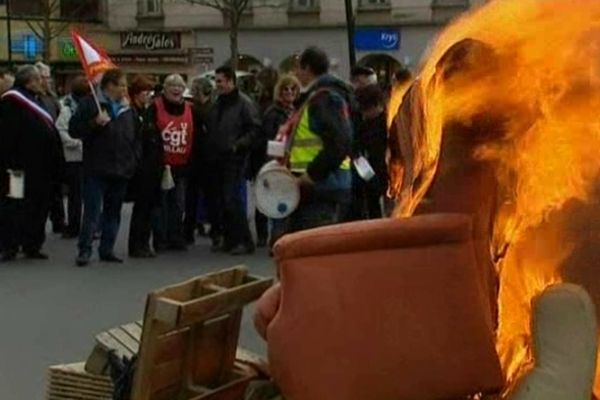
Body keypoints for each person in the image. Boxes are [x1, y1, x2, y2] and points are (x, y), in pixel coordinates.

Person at [71, 68, 141, 267]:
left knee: (113, 211)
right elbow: (74, 129)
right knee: (92, 211)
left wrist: (134, 158)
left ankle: (107, 248)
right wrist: (94, 123)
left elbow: (136, 136)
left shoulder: (128, 109)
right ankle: (84, 250)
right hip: (96, 167)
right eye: (121, 85)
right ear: (110, 85)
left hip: (121, 168)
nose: (125, 89)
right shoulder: (90, 103)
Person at [0, 65, 65, 261]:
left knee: (38, 206)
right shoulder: (12, 101)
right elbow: (6, 136)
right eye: (38, 79)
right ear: (29, 81)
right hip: (17, 167)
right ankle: (9, 246)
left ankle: (32, 244)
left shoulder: (38, 100)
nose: (42, 82)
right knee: (14, 206)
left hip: (40, 168)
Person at [285, 46, 353, 232]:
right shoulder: (319, 96)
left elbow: (339, 143)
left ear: (307, 68)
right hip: (319, 188)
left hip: (323, 189)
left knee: (314, 252)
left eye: (298, 68)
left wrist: (311, 175)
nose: (296, 73)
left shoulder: (324, 98)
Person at [205, 65, 261, 255]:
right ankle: (230, 239)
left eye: (220, 81)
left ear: (230, 81)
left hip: (234, 157)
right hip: (217, 157)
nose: (217, 84)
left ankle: (243, 240)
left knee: (232, 199)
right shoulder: (218, 102)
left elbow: (254, 129)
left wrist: (238, 145)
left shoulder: (244, 103)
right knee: (221, 200)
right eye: (216, 80)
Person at [252, 74, 300, 247]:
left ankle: (278, 235)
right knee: (269, 197)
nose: (289, 92)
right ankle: (266, 235)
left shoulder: (297, 110)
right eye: (286, 89)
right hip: (273, 159)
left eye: (293, 89)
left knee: (283, 197)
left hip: (292, 160)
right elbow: (267, 137)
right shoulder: (273, 112)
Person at [151, 74, 194, 252]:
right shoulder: (154, 107)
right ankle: (160, 239)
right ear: (165, 89)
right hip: (160, 164)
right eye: (172, 86)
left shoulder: (191, 109)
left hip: (181, 164)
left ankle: (176, 237)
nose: (176, 89)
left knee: (178, 203)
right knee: (160, 204)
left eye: (180, 86)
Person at [127, 75, 161, 258]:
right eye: (145, 92)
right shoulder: (132, 114)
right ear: (136, 94)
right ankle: (137, 245)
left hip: (151, 166)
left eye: (150, 92)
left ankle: (143, 242)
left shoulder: (147, 112)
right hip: (141, 168)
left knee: (148, 207)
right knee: (142, 208)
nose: (149, 95)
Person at [55, 74, 89, 238]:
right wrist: (77, 142)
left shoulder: (90, 105)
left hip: (89, 156)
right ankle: (74, 225)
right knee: (75, 194)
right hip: (73, 157)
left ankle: (90, 226)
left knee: (88, 195)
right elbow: (61, 131)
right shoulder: (66, 106)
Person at [36, 62, 66, 234]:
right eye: (45, 77)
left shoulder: (52, 98)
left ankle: (58, 220)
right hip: (39, 152)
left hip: (54, 149)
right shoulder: (32, 99)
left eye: (49, 77)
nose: (49, 81)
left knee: (56, 189)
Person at [351, 84, 388, 219]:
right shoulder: (364, 125)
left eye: (367, 109)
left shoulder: (385, 123)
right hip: (371, 176)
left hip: (381, 174)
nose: (365, 114)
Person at [184, 76, 214, 244]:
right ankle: (190, 229)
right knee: (194, 197)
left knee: (202, 197)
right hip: (196, 157)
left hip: (204, 157)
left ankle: (194, 228)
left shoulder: (205, 110)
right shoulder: (196, 109)